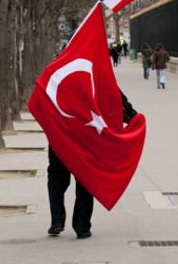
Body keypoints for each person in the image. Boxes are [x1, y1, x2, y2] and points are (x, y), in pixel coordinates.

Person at [47, 91, 137, 239]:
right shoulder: (96, 75)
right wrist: (133, 117)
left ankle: (57, 220)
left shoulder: (59, 72)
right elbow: (116, 98)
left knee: (57, 178)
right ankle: (81, 226)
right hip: (86, 137)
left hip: (59, 134)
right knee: (85, 181)